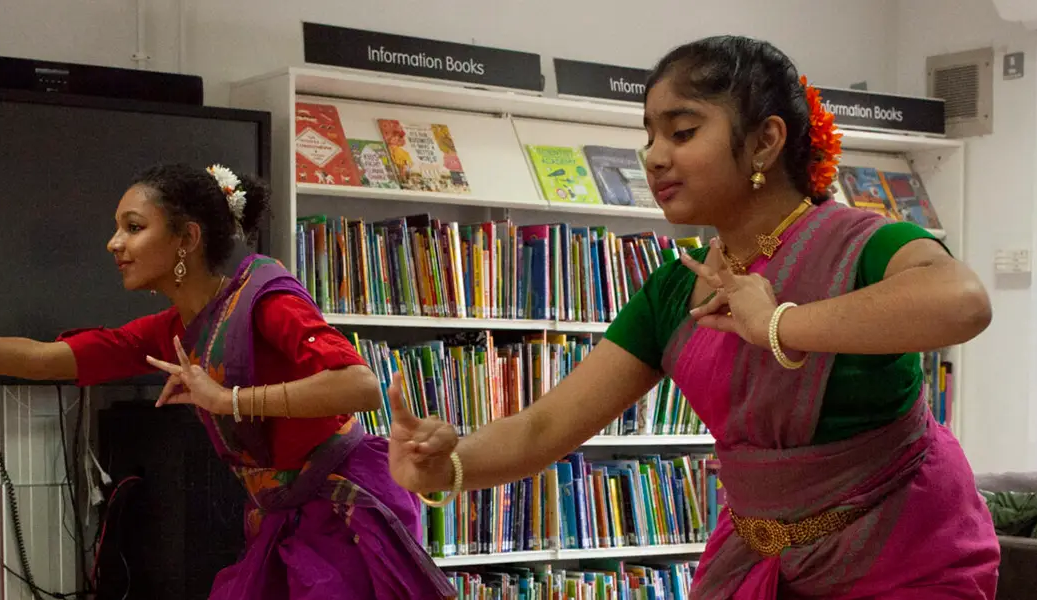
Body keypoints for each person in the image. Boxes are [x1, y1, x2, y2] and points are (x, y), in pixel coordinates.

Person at [383, 36, 999, 599]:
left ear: (764, 141)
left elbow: (963, 302)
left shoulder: (863, 244)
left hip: (904, 557)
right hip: (759, 562)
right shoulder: (677, 287)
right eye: (649, 135)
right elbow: (545, 429)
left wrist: (776, 324)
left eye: (681, 133)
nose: (653, 157)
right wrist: (451, 463)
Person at [0, 162, 455, 600]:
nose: (114, 243)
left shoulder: (268, 298)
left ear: (187, 239)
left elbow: (358, 384)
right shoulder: (173, 329)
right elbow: (46, 358)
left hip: (341, 519)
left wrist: (228, 398)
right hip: (284, 520)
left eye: (133, 226)